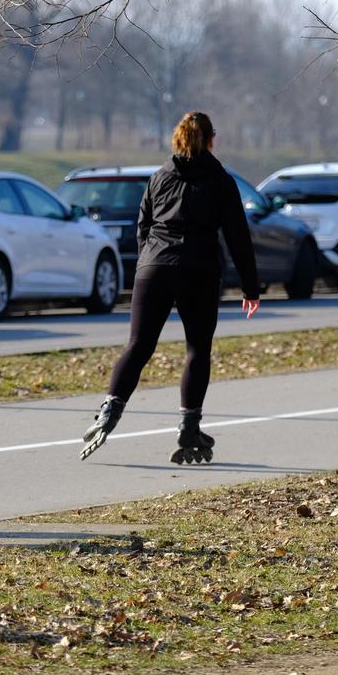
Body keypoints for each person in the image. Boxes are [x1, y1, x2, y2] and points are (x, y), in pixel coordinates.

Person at [80, 111, 260, 464]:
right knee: (196, 349)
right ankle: (188, 427)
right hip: (199, 270)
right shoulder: (220, 180)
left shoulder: (159, 177)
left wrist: (150, 261)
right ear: (211, 140)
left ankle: (108, 411)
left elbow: (142, 226)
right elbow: (238, 237)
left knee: (138, 346)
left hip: (154, 268)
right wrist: (251, 288)